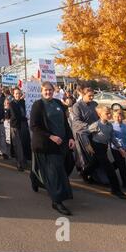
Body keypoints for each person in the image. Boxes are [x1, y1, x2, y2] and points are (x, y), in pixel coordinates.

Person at [30, 82, 75, 216]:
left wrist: (71, 137)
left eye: (50, 90)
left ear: (54, 90)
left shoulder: (58, 103)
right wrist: (51, 136)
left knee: (68, 164)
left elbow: (65, 123)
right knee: (55, 172)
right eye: (45, 90)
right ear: (41, 91)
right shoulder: (38, 105)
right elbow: (34, 126)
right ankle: (57, 201)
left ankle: (36, 178)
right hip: (47, 145)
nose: (48, 92)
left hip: (62, 143)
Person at [82, 106, 126, 199]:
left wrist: (120, 148)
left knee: (95, 163)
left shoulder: (109, 125)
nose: (109, 115)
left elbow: (112, 138)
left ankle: (84, 173)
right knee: (109, 168)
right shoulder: (96, 124)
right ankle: (116, 190)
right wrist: (87, 145)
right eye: (107, 113)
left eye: (110, 113)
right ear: (100, 114)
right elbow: (84, 133)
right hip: (97, 147)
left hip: (103, 147)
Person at [6, 87, 31, 171]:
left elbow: (28, 110)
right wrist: (25, 118)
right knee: (18, 145)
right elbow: (14, 115)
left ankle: (24, 159)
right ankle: (19, 163)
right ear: (14, 94)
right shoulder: (12, 104)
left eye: (19, 93)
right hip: (16, 126)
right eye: (16, 93)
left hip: (24, 125)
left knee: (24, 143)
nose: (18, 95)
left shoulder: (24, 102)